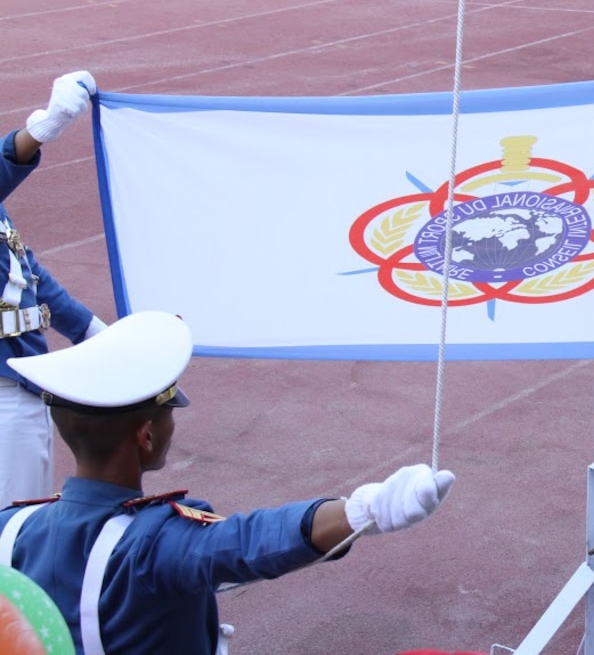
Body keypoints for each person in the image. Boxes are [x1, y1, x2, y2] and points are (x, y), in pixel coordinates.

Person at [0, 310, 455, 654]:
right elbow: (246, 543)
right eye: (167, 413)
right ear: (147, 435)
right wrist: (365, 511)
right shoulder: (152, 544)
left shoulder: (12, 525)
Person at [0, 70, 108, 507]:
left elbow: (24, 271)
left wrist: (89, 329)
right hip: (5, 394)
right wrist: (43, 128)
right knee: (11, 539)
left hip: (19, 381)